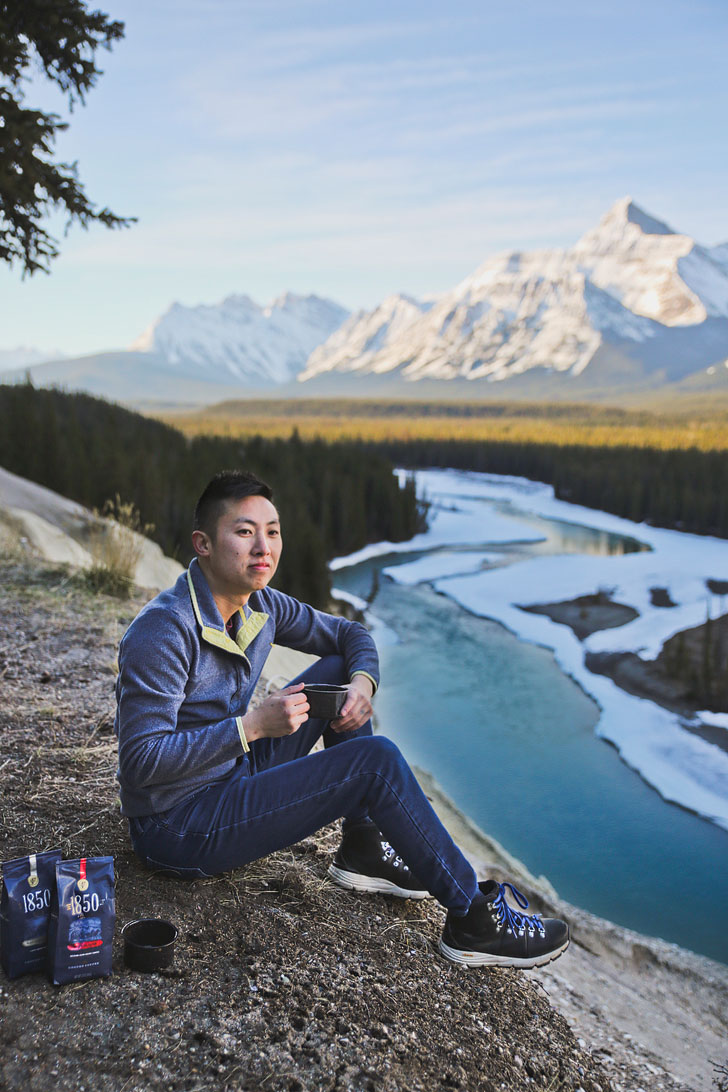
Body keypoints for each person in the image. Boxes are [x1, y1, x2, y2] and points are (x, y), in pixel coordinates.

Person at [114, 470, 569, 968]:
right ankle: (475, 919)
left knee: (335, 672)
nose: (263, 546)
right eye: (244, 532)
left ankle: (363, 846)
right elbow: (139, 763)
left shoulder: (260, 603)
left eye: (273, 530)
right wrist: (252, 727)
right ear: (202, 544)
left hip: (229, 776)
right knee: (374, 762)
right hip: (178, 825)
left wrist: (362, 684)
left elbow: (350, 636)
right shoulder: (163, 631)